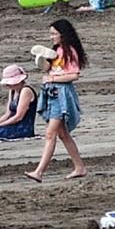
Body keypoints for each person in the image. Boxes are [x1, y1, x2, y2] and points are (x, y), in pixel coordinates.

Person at [23, 17, 86, 183]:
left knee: (50, 133)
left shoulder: (69, 51)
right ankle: (79, 167)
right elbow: (50, 69)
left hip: (61, 95)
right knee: (62, 134)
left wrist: (52, 79)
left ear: (62, 34)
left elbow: (74, 75)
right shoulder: (56, 51)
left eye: (54, 34)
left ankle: (39, 171)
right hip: (52, 94)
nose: (51, 37)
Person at [0, 64, 37, 142]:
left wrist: (0, 125)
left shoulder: (26, 91)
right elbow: (8, 113)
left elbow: (19, 117)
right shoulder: (12, 91)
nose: (7, 85)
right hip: (10, 125)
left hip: (21, 129)